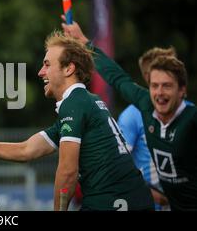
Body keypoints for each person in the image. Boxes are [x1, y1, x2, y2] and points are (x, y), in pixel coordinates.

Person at [0, 31, 154, 211]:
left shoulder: (74, 104)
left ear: (69, 68)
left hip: (115, 201)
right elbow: (26, 150)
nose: (41, 72)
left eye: (47, 64)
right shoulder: (83, 102)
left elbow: (67, 172)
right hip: (125, 198)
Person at [62, 20, 197, 210]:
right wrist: (85, 42)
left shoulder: (191, 118)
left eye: (167, 86)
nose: (159, 93)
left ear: (182, 90)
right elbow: (117, 78)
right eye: (154, 86)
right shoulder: (146, 105)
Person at [118, 48, 177, 210]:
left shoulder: (188, 111)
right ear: (148, 76)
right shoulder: (132, 115)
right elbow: (118, 165)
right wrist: (152, 194)